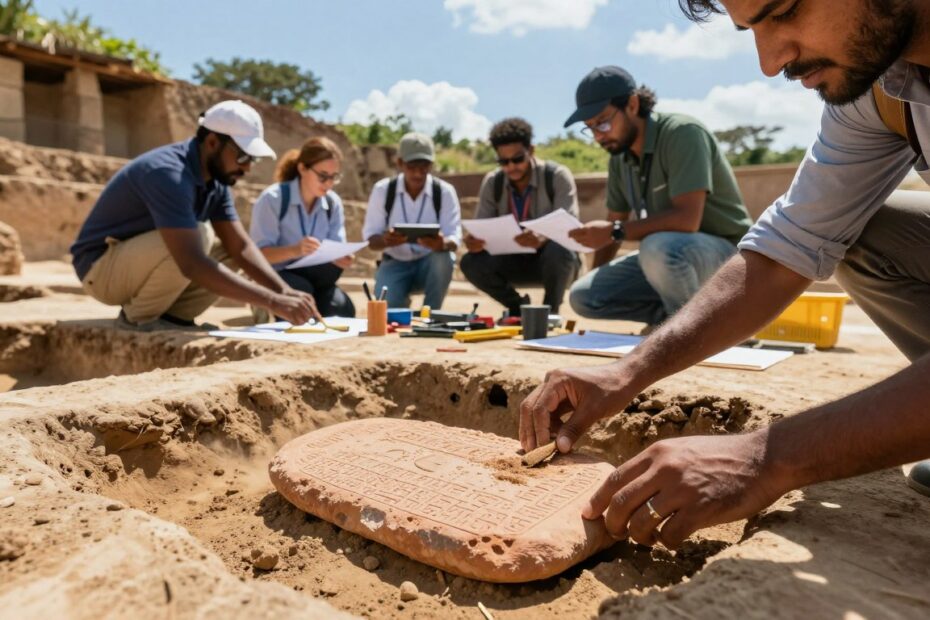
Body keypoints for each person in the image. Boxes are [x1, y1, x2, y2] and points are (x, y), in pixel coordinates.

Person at [520, 0, 930, 551]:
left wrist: (766, 457)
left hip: (698, 248)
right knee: (861, 230)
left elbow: (683, 223)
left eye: (784, 10)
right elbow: (787, 246)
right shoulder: (881, 87)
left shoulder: (681, 133)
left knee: (667, 246)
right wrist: (624, 374)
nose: (769, 60)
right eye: (750, 29)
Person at [70, 100, 319, 330]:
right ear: (212, 142)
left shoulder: (217, 182)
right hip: (100, 270)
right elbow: (190, 262)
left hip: (136, 264)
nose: (247, 167)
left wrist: (285, 292)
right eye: (242, 156)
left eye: (252, 159)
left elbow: (241, 247)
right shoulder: (168, 173)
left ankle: (173, 318)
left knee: (227, 252)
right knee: (200, 236)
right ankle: (138, 319)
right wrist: (273, 301)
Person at [563, 66, 753, 330]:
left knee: (657, 247)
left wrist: (615, 231)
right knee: (584, 296)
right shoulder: (620, 158)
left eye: (603, 122)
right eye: (590, 128)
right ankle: (673, 320)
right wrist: (599, 273)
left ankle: (695, 333)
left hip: (729, 257)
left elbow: (687, 221)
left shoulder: (682, 133)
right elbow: (613, 225)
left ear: (632, 104)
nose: (598, 136)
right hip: (672, 259)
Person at [460, 118, 580, 316]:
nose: (511, 167)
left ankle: (550, 312)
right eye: (503, 162)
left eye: (517, 159)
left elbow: (570, 225)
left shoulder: (557, 176)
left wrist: (543, 236)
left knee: (559, 248)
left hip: (555, 263)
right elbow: (482, 226)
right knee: (470, 262)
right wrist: (476, 241)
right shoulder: (492, 182)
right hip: (511, 261)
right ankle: (518, 307)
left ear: (531, 151)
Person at [249, 137, 355, 318]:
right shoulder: (273, 199)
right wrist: (295, 250)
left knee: (342, 309)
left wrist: (341, 257)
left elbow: (336, 246)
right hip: (277, 280)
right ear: (302, 168)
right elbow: (257, 257)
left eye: (334, 177)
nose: (328, 183)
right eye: (323, 176)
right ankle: (265, 312)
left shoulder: (333, 202)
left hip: (320, 281)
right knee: (299, 296)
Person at [362, 132, 462, 309]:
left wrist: (441, 243)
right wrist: (386, 240)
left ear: (431, 164)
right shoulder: (383, 190)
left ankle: (432, 314)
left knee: (444, 257)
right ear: (400, 163)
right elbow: (371, 240)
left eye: (424, 167)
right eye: (411, 166)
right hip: (395, 263)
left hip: (429, 264)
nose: (418, 173)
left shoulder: (445, 192)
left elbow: (454, 239)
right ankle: (400, 299)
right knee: (388, 309)